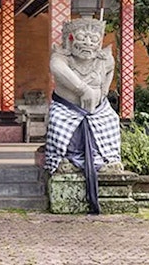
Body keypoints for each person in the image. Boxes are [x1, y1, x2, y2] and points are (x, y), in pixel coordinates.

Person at [44, 17, 122, 214]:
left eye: (94, 40)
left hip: (97, 110)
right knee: (58, 122)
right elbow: (58, 69)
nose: (88, 43)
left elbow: (110, 70)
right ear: (70, 40)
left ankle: (107, 158)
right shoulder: (62, 57)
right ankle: (63, 158)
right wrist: (82, 89)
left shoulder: (104, 59)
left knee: (112, 120)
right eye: (82, 38)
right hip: (67, 108)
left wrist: (103, 90)